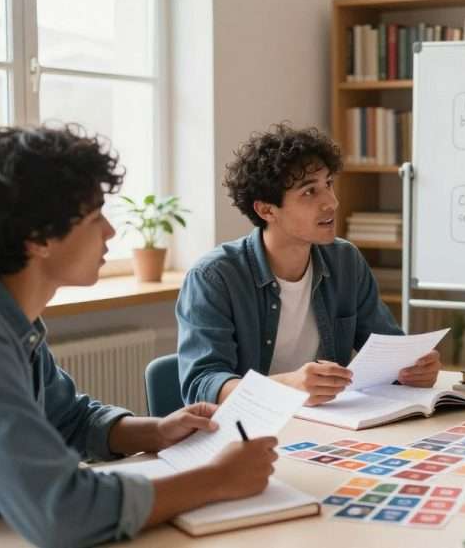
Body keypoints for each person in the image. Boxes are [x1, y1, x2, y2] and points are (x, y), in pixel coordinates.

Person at [0, 125, 278, 547]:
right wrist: (218, 479)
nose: (111, 232)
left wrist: (155, 431)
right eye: (95, 216)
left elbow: (66, 418)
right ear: (39, 237)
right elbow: (62, 512)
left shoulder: (5, 316)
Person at [177, 124, 440, 407]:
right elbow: (202, 384)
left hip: (326, 426)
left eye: (328, 184)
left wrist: (413, 368)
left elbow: (388, 351)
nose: (332, 202)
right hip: (249, 431)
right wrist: (287, 386)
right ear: (266, 210)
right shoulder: (214, 277)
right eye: (309, 192)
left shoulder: (345, 261)